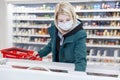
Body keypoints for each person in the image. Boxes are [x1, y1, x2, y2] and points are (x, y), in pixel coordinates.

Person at [34, 2, 87, 71]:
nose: (65, 23)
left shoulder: (79, 35)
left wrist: (77, 75)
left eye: (68, 20)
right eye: (61, 21)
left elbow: (80, 60)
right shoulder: (56, 29)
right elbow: (51, 44)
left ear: (73, 17)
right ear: (56, 20)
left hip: (70, 72)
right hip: (57, 69)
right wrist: (39, 53)